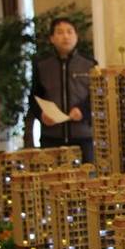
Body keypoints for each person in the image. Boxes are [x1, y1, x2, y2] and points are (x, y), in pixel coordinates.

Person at [26, 17, 97, 162]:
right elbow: (34, 97)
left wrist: (83, 110)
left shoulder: (90, 64)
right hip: (52, 137)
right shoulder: (42, 65)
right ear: (52, 38)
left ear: (76, 36)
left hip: (83, 136)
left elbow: (97, 95)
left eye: (70, 32)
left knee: (87, 174)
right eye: (60, 32)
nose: (65, 36)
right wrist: (41, 115)